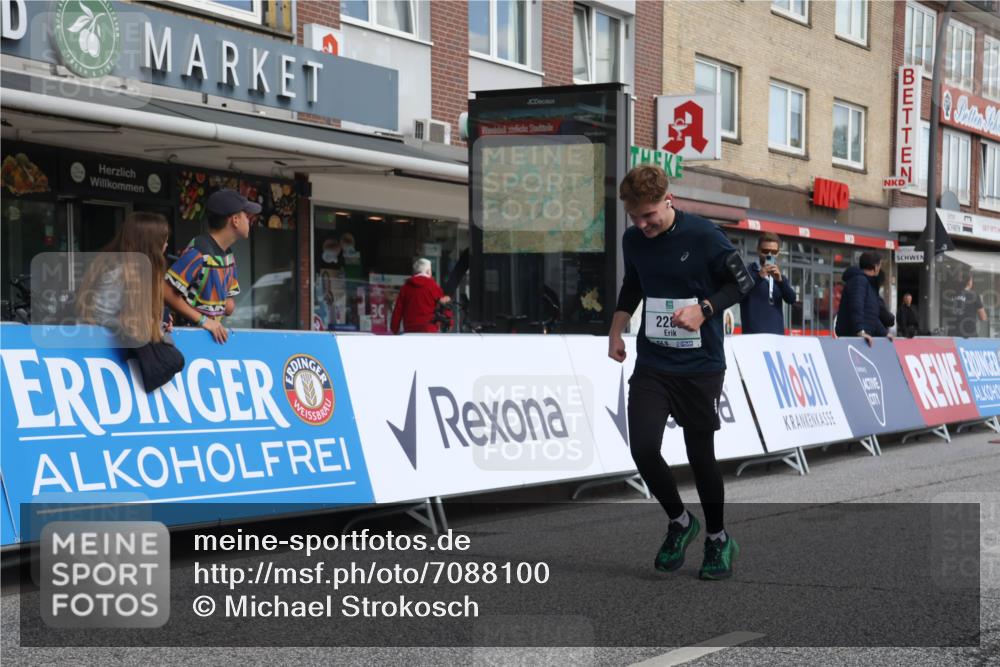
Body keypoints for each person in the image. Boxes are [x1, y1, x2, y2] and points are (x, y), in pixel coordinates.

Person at [608, 165, 752, 580]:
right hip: (653, 363)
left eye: (648, 215)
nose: (642, 224)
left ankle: (718, 538)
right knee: (643, 447)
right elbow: (632, 285)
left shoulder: (704, 236)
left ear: (667, 200)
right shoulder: (633, 239)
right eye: (634, 217)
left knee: (699, 454)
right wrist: (616, 332)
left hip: (699, 366)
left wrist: (705, 309)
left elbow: (743, 283)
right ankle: (679, 522)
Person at [165, 189, 258, 343]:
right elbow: (166, 291)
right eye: (246, 216)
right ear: (235, 220)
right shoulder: (199, 251)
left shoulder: (228, 254)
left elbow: (229, 305)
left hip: (208, 339)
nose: (250, 221)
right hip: (186, 339)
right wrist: (204, 320)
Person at [76, 211, 172, 345]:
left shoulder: (139, 270)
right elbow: (97, 317)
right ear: (151, 244)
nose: (166, 245)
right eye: (163, 240)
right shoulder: (119, 271)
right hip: (96, 348)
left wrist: (158, 321)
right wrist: (134, 323)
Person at [738, 232, 796, 334]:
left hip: (776, 338)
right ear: (758, 250)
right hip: (753, 337)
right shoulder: (747, 272)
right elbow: (738, 296)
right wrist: (759, 277)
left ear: (778, 253)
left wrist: (780, 282)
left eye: (774, 252)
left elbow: (792, 299)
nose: (769, 255)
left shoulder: (780, 276)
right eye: (765, 251)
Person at [834, 251, 887, 347]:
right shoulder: (859, 280)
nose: (880, 268)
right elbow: (856, 306)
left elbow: (871, 314)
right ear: (875, 266)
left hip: (862, 338)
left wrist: (884, 333)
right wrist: (860, 331)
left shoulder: (868, 284)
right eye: (879, 265)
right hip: (854, 338)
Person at [390, 258, 452, 334]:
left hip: (410, 329)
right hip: (429, 329)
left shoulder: (405, 287)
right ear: (428, 271)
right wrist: (449, 324)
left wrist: (394, 329)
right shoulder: (434, 287)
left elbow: (398, 311)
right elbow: (444, 306)